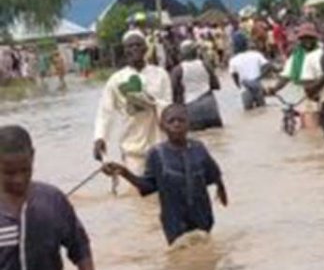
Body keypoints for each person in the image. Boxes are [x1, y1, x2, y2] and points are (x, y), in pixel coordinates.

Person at [0, 125, 99, 270]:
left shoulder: (52, 201)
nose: (18, 179)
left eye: (25, 170)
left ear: (33, 157)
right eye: (8, 173)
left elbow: (80, 247)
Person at [103, 105, 228, 246]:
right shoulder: (157, 154)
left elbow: (213, 173)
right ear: (162, 126)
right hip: (175, 224)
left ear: (189, 124)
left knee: (205, 256)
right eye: (171, 121)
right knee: (180, 258)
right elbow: (148, 186)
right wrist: (125, 172)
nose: (177, 124)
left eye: (181, 120)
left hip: (202, 219)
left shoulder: (199, 148)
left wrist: (221, 189)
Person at [94, 30, 173, 176]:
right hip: (133, 148)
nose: (134, 48)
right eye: (130, 46)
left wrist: (152, 102)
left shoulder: (161, 75)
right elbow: (105, 113)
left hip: (161, 145)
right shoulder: (116, 80)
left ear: (145, 48)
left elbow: (169, 107)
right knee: (137, 193)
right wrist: (100, 138)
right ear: (125, 51)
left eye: (138, 45)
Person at [171, 41, 223, 131]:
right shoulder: (205, 65)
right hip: (210, 105)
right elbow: (216, 85)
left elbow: (173, 92)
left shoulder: (177, 70)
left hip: (191, 108)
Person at [228, 35, 272, 111]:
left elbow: (234, 76)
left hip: (245, 89)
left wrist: (239, 86)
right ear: (246, 44)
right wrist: (259, 77)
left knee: (248, 112)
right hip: (257, 86)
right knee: (262, 108)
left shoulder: (233, 60)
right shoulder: (256, 55)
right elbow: (268, 66)